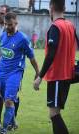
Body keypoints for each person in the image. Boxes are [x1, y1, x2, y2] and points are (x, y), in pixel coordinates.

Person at [33, 0, 77, 134]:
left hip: (58, 76)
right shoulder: (70, 25)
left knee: (54, 114)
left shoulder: (55, 27)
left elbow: (51, 54)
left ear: (51, 7)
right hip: (67, 75)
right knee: (54, 114)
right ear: (64, 7)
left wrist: (39, 77)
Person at [0, 12, 39, 134]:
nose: (7, 27)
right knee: (6, 100)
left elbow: (31, 57)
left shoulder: (23, 39)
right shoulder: (2, 36)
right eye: (5, 24)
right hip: (2, 73)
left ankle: (4, 129)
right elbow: (3, 55)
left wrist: (38, 73)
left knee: (9, 100)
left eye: (10, 24)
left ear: (16, 23)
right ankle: (13, 123)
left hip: (15, 73)